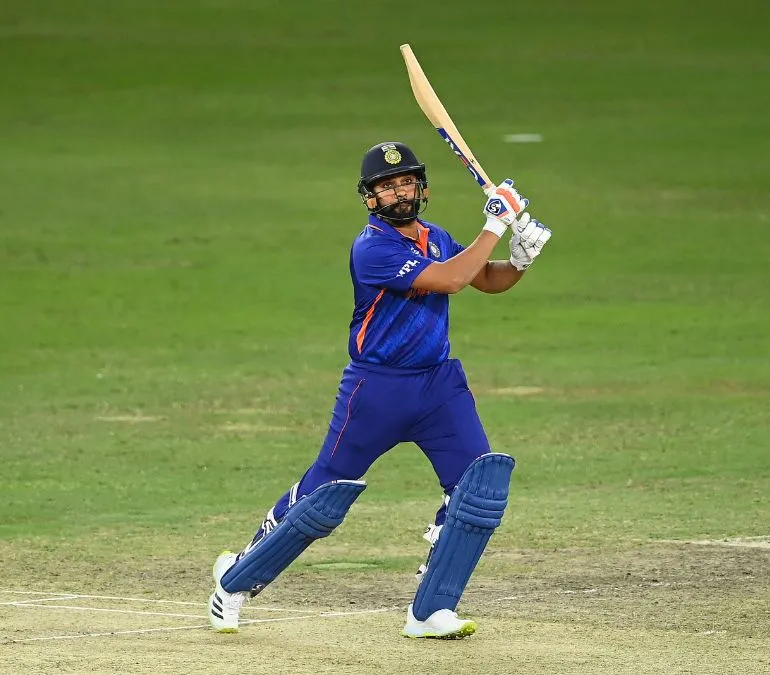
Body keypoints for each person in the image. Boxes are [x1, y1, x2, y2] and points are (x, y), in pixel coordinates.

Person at [208, 141, 552, 638]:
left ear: (422, 187)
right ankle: (234, 582)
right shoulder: (372, 248)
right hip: (376, 389)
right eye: (387, 186)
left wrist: (519, 260)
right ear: (370, 198)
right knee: (323, 497)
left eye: (406, 181)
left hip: (438, 386)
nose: (399, 192)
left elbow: (483, 279)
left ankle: (431, 610)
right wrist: (496, 225)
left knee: (479, 489)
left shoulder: (437, 237)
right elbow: (451, 280)